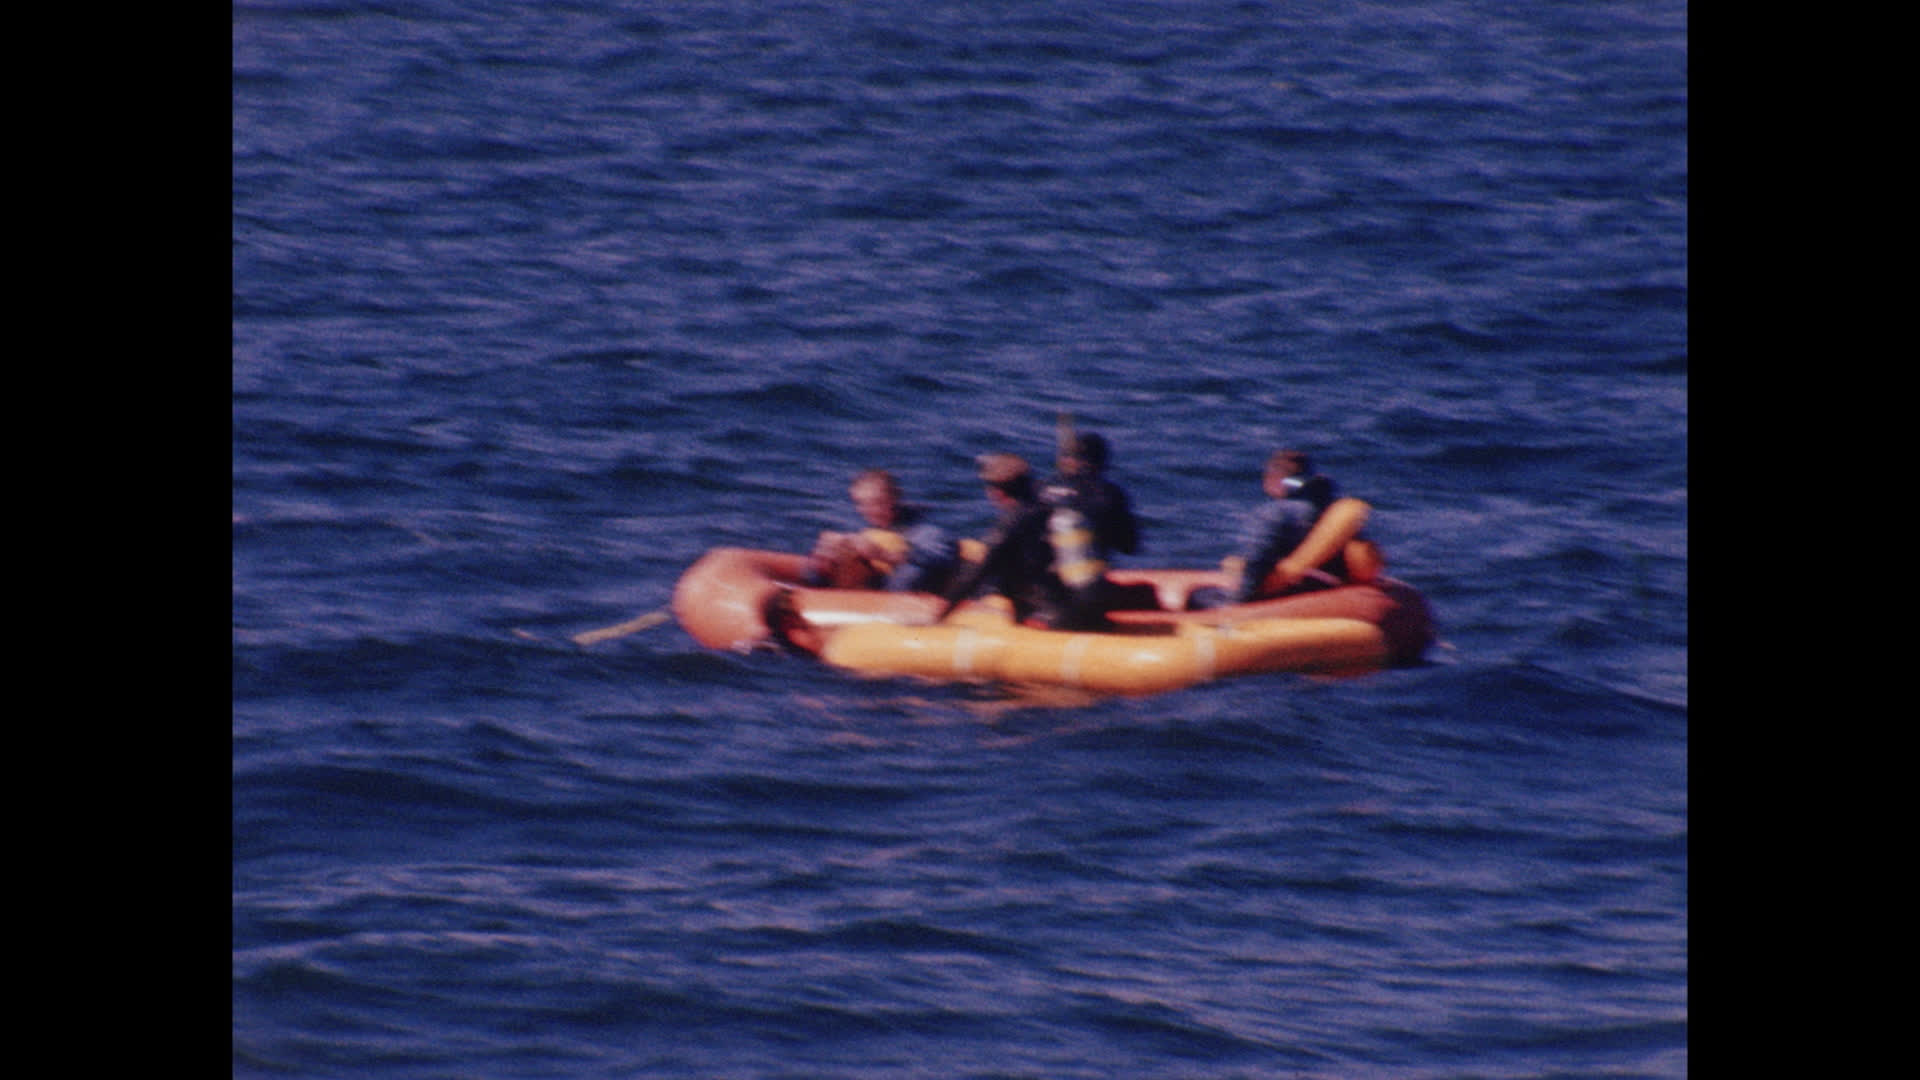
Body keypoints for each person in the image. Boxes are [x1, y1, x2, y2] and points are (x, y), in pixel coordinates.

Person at [938, 452, 1101, 629]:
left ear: (997, 492)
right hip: (1084, 608)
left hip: (1045, 618)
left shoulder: (1012, 522)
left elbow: (977, 573)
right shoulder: (1050, 508)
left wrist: (940, 614)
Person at [1188, 449, 1351, 610]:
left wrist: (1240, 600)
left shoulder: (1274, 513)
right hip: (1323, 588)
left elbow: (1255, 560)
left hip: (1284, 593)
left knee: (1197, 596)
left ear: (1276, 478)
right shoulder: (1328, 510)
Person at [806, 469, 959, 592]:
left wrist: (884, 555)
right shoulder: (868, 530)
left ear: (894, 499)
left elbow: (941, 557)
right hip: (869, 594)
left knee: (912, 572)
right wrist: (821, 562)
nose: (870, 511)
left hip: (908, 601)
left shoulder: (924, 530)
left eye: (877, 503)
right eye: (862, 504)